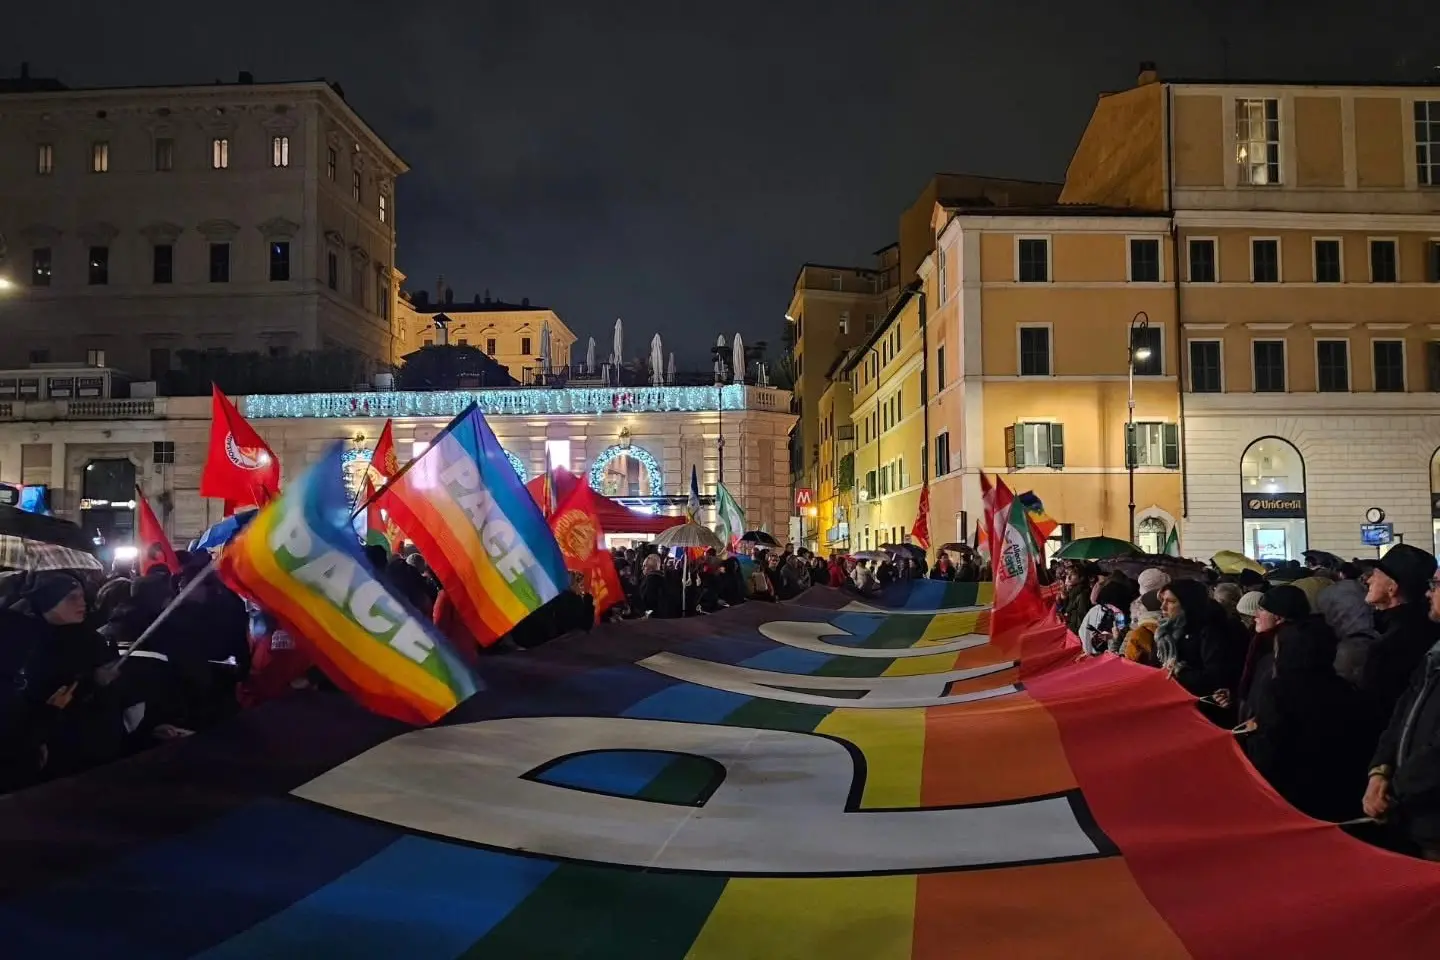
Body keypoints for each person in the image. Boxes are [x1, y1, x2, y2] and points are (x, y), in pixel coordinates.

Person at [1237, 586, 1369, 822]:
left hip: (1292, 793)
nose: (1255, 614)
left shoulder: (1282, 681)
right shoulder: (1339, 683)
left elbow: (1272, 748)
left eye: (1262, 609)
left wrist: (1255, 733)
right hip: (1335, 794)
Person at [1364, 569, 1440, 859]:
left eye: (1436, 584)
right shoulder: (1433, 654)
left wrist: (1395, 789)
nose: (1428, 592)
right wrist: (1379, 771)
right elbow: (1402, 715)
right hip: (1419, 816)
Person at [1361, 544, 1440, 725]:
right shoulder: (1427, 626)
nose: (1368, 580)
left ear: (1392, 588)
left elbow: (1375, 713)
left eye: (1375, 575)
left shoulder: (1391, 646)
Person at [1156, 578, 1246, 702]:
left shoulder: (1212, 630)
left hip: (1207, 705)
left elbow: (1214, 677)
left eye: (1171, 601)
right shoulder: (1171, 629)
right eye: (1162, 600)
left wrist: (1180, 670)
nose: (1163, 607)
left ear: (1187, 604)